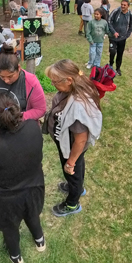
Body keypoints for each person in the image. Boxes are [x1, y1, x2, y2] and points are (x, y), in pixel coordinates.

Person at [0, 91, 46, 263]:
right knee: (32, 215)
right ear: (16, 108)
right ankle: (40, 241)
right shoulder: (33, 126)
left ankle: (16, 257)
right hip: (33, 187)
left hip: (6, 199)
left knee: (9, 228)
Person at [44, 60, 103, 217]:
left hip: (71, 148)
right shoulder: (74, 87)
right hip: (69, 145)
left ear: (68, 80)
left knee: (72, 172)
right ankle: (77, 187)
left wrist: (70, 162)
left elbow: (80, 140)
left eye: (55, 81)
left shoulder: (78, 107)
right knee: (78, 168)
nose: (52, 84)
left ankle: (72, 204)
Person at [0, 48, 47, 121]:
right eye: (2, 77)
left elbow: (40, 109)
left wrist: (16, 117)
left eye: (10, 76)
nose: (6, 80)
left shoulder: (31, 82)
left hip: (20, 124)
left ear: (19, 68)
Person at [108, 0, 132, 76]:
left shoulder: (130, 15)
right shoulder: (116, 11)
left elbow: (131, 26)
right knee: (112, 52)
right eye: (122, 4)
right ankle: (110, 65)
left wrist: (126, 36)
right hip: (113, 37)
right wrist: (114, 32)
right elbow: (109, 21)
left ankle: (118, 68)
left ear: (128, 6)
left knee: (120, 54)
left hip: (122, 38)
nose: (122, 6)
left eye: (124, 5)